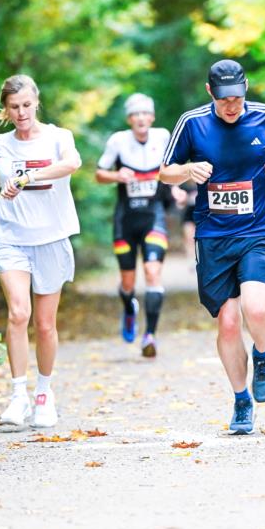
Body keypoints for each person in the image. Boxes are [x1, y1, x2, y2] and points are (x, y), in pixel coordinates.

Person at [160, 59, 265, 435]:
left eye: (236, 97)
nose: (230, 106)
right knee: (230, 322)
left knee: (256, 308)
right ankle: (241, 401)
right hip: (213, 236)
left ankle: (263, 355)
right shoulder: (192, 123)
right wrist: (188, 171)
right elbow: (164, 170)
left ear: (246, 88)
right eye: (223, 100)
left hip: (257, 231)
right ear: (209, 93)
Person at [0, 74, 81, 429]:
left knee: (44, 323)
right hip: (10, 238)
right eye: (14, 107)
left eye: (26, 105)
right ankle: (17, 395)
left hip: (51, 238)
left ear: (36, 102)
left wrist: (27, 179)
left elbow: (71, 164)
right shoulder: (1, 144)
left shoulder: (58, 137)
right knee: (18, 314)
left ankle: (44, 393)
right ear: (5, 109)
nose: (22, 112)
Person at [95, 93, 170, 357]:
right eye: (135, 114)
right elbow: (98, 173)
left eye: (145, 113)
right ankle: (129, 308)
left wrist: (180, 189)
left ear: (152, 117)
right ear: (129, 119)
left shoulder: (163, 137)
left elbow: (175, 168)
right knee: (128, 283)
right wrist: (117, 175)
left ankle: (150, 335)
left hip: (154, 217)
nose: (140, 118)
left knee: (152, 272)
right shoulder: (118, 141)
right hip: (125, 220)